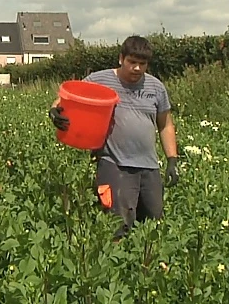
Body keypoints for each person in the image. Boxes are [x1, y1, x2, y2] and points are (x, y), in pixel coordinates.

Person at [49, 35, 179, 241]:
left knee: (154, 223)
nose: (137, 68)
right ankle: (113, 266)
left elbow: (165, 124)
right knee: (117, 224)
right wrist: (55, 111)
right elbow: (69, 97)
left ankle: (144, 269)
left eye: (142, 64)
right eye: (132, 62)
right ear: (121, 59)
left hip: (149, 165)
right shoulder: (100, 80)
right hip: (115, 163)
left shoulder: (156, 87)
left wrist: (172, 159)